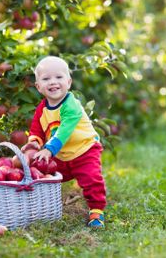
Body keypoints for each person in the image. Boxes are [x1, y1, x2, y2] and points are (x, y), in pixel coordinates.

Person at [21, 56, 107, 228]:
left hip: (85, 150)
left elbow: (65, 129)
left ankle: (96, 211)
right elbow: (36, 129)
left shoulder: (71, 104)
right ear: (38, 87)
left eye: (59, 77)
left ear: (68, 82)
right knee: (41, 173)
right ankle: (39, 207)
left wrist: (48, 149)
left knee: (91, 179)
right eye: (46, 79)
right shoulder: (42, 109)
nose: (53, 82)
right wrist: (34, 143)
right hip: (61, 155)